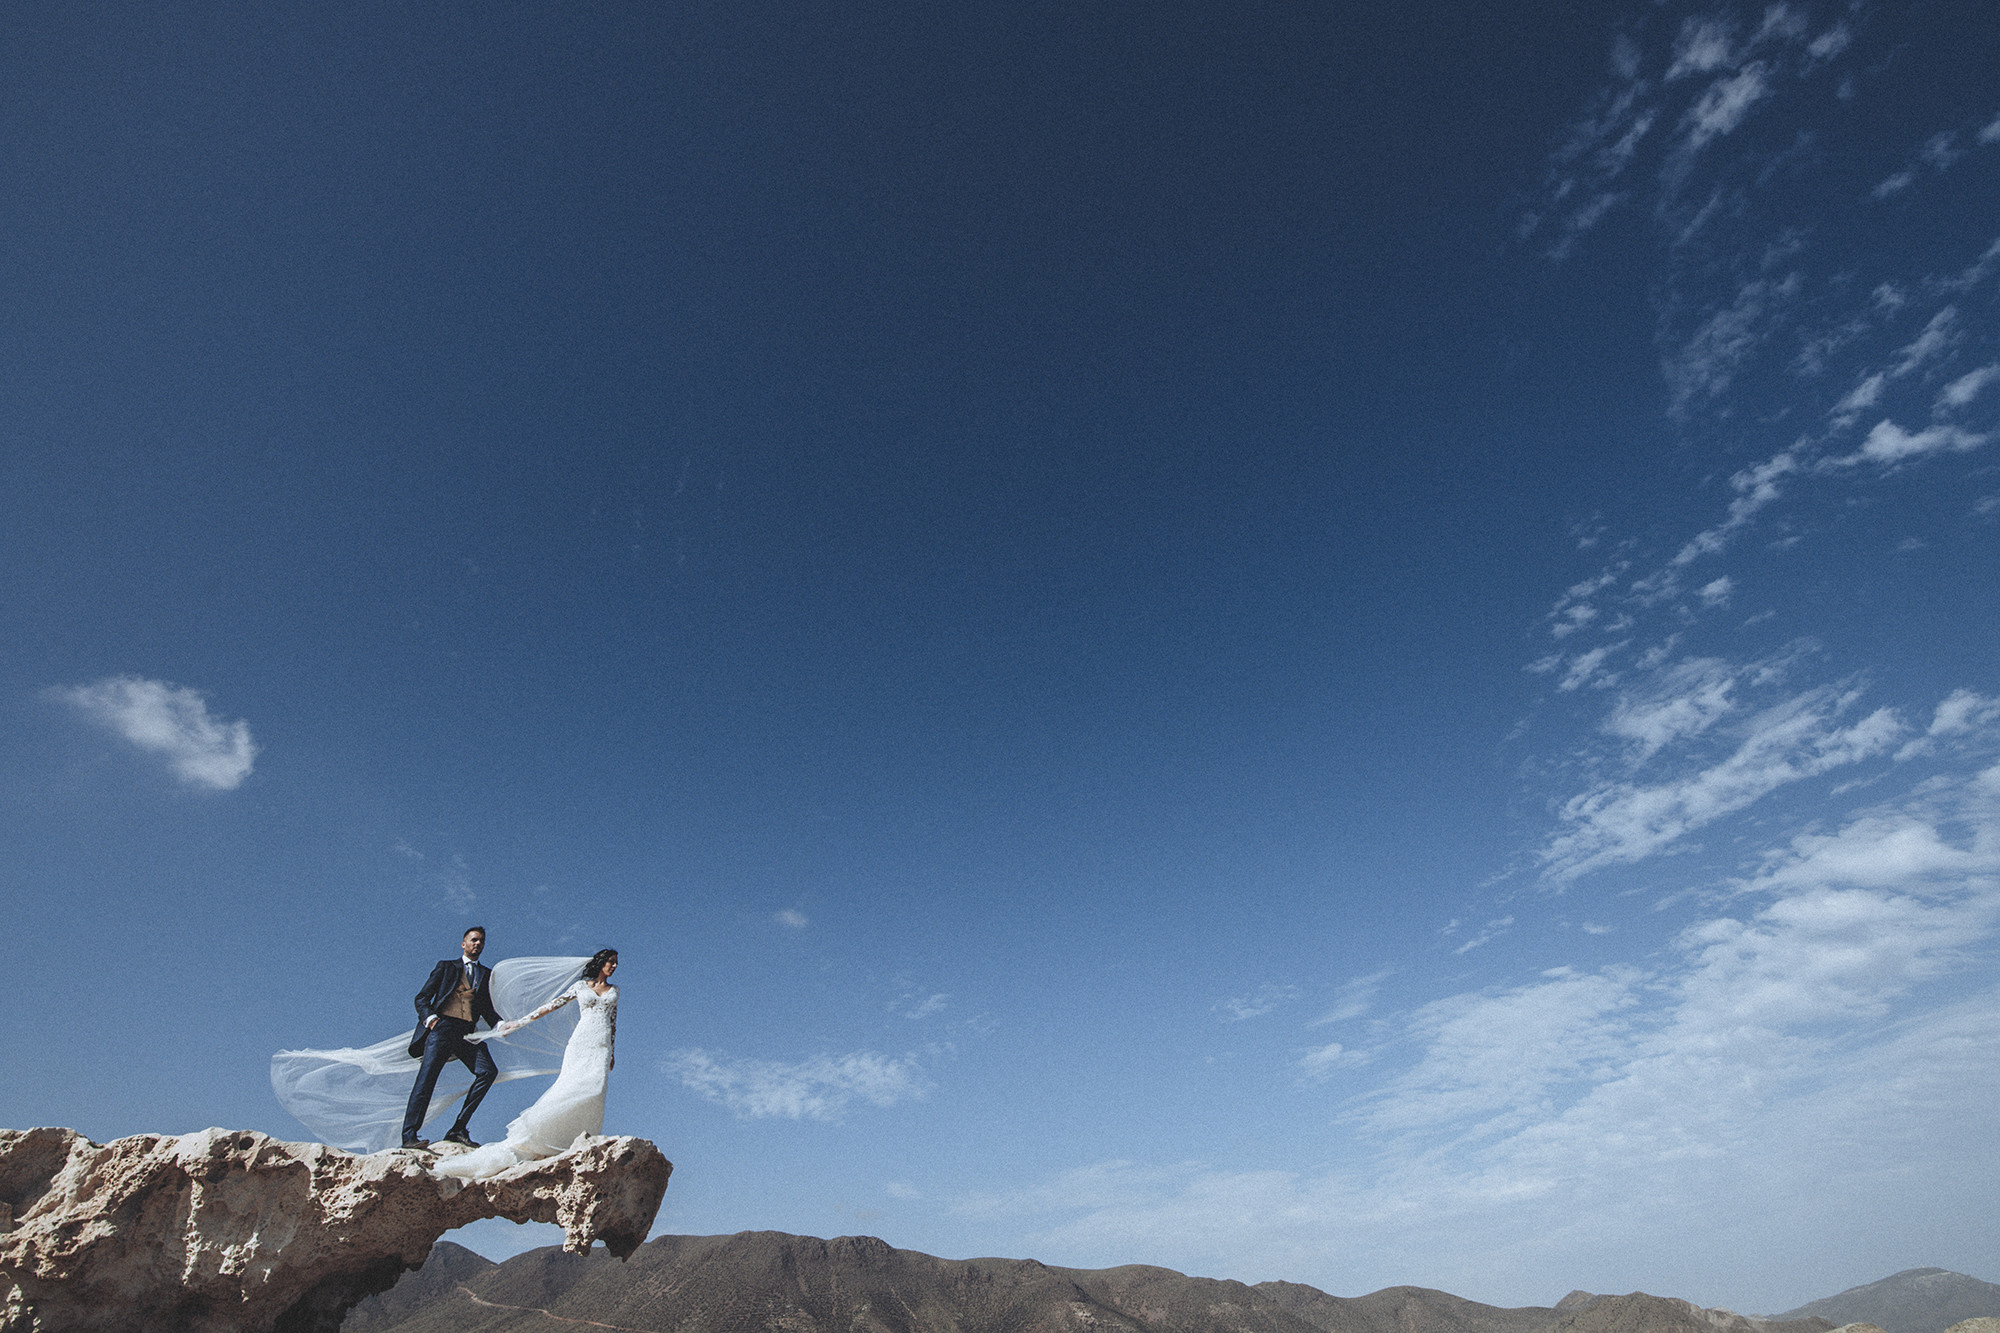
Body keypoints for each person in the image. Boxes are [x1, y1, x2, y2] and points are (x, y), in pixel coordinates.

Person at [435, 949, 619, 1181]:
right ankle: (542, 1131)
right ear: (600, 963)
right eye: (610, 962)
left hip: (601, 1046)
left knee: (595, 1090)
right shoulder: (581, 987)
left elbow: (612, 1021)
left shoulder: (615, 991)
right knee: (570, 1087)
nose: (613, 966)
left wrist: (612, 1051)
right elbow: (549, 1007)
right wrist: (519, 1023)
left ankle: (580, 1135)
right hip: (581, 1042)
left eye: (616, 963)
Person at [402, 926, 505, 1149]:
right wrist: (430, 1019)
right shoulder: (446, 967)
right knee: (427, 1080)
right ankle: (409, 1135)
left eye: (481, 941)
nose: (478, 944)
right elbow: (422, 998)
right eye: (474, 940)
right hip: (442, 1028)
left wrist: (501, 1024)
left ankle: (458, 1129)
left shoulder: (486, 975)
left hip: (467, 1034)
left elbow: (486, 1009)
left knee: (488, 1072)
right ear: (463, 944)